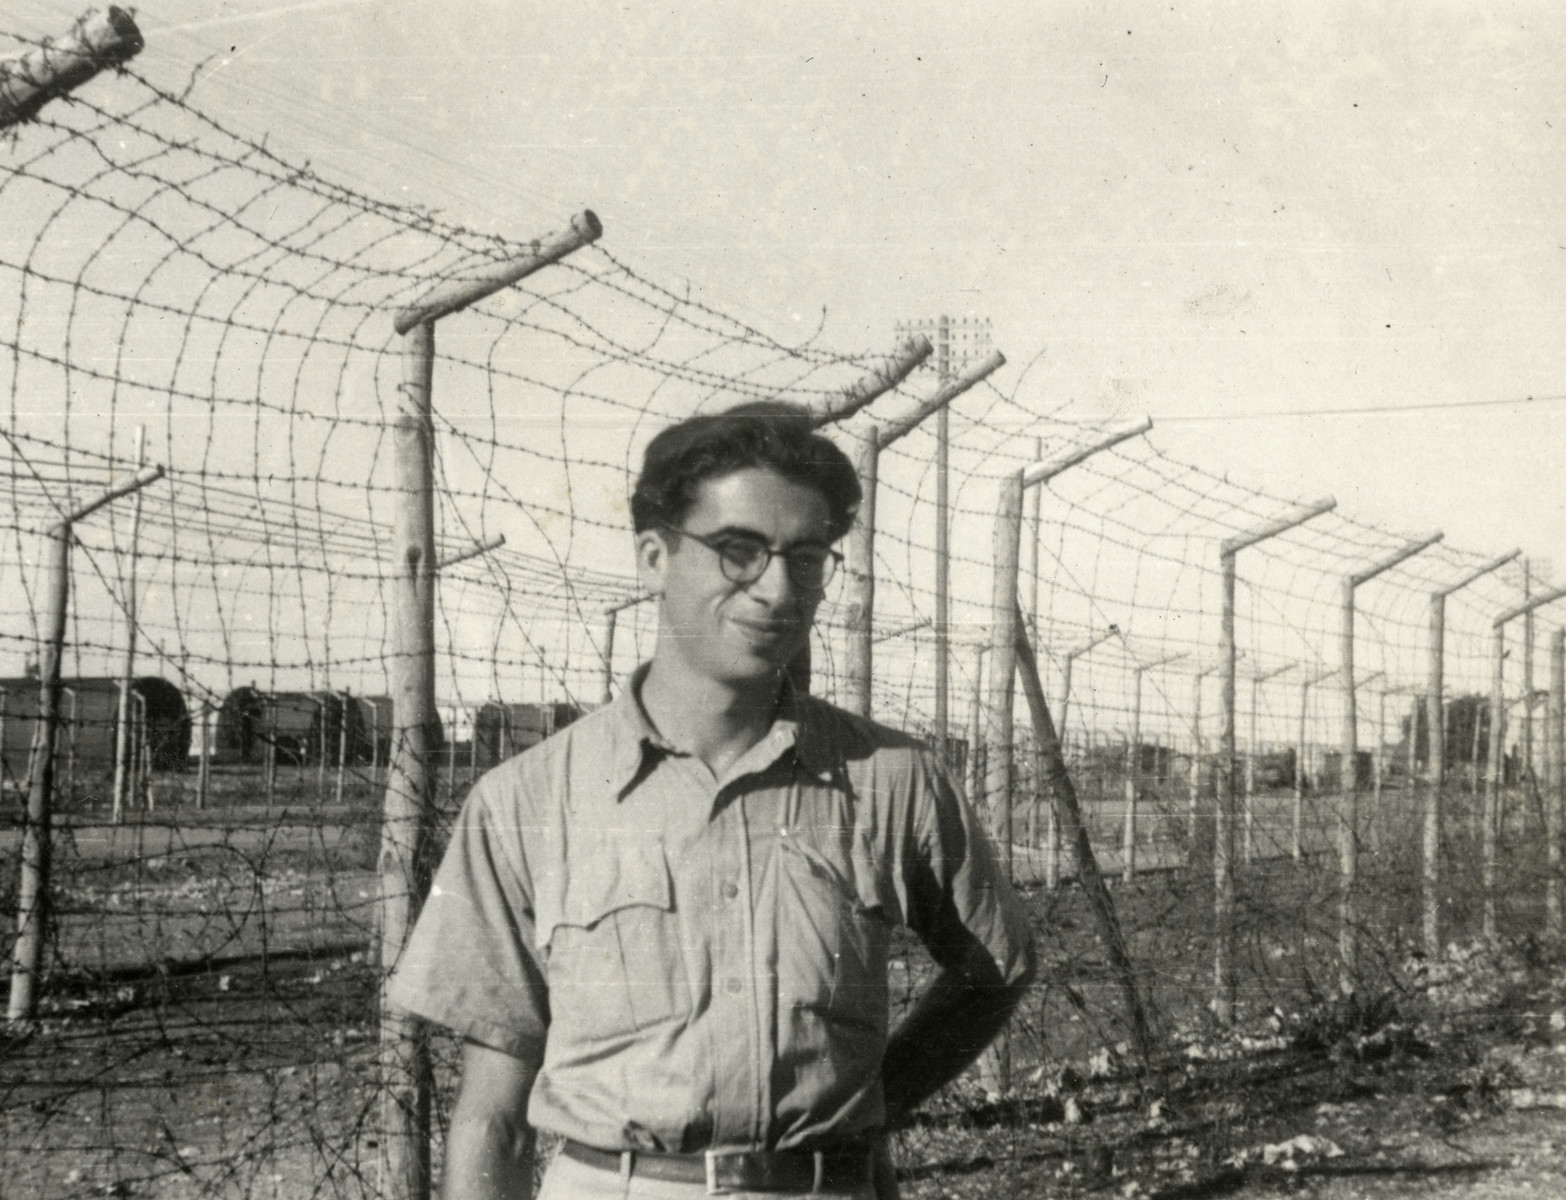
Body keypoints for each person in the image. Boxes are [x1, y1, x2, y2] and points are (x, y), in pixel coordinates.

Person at [387, 401, 1037, 1199]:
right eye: (739, 551)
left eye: (806, 557)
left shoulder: (893, 779)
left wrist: (877, 1103)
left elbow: (995, 968)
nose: (777, 588)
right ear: (654, 557)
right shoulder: (526, 800)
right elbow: (494, 1116)